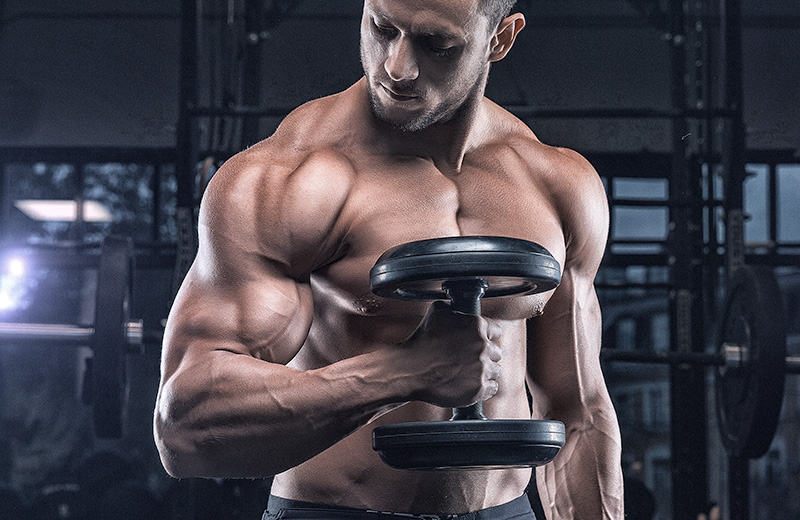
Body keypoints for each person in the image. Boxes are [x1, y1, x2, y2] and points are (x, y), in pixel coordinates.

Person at [154, 0, 624, 518]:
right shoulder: (291, 178)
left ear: (500, 39)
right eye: (382, 27)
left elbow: (579, 411)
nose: (396, 68)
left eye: (436, 44)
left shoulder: (556, 184)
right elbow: (187, 427)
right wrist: (403, 372)